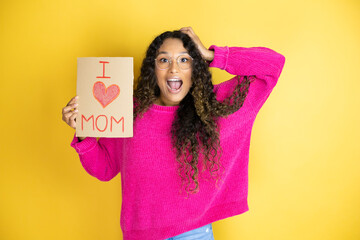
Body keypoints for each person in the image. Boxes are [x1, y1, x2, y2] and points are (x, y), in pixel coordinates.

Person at [62, 27, 285, 240]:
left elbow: (273, 64)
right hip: (142, 235)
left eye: (184, 59)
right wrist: (84, 133)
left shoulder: (214, 106)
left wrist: (211, 55)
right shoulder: (127, 109)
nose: (174, 69)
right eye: (164, 60)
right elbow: (105, 168)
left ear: (195, 67)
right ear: (153, 69)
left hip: (195, 233)